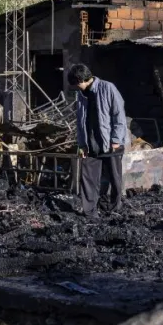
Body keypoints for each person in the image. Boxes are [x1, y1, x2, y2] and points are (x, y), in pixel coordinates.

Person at [68, 63, 128, 218]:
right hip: (91, 145)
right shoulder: (81, 96)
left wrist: (116, 139)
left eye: (76, 84)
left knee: (114, 178)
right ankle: (90, 211)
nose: (76, 87)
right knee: (88, 178)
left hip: (110, 144)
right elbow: (80, 122)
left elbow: (119, 115)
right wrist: (82, 144)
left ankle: (115, 208)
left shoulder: (108, 88)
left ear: (81, 80)